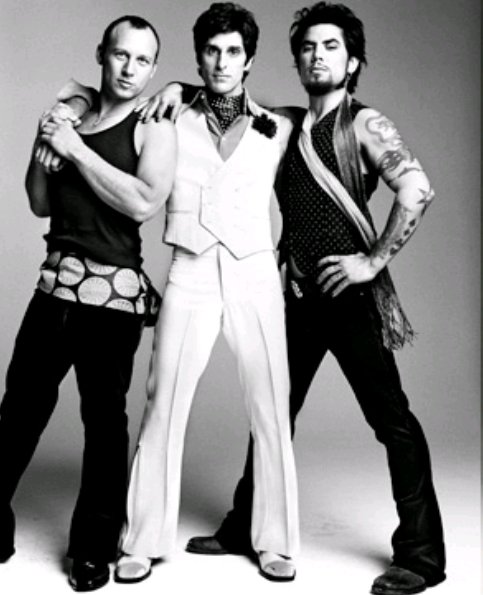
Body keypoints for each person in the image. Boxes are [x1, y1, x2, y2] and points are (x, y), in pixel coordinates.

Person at [145, 3, 446, 594]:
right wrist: (180, 87)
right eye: (307, 47)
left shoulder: (365, 124)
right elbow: (228, 100)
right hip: (299, 296)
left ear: (353, 61)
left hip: (350, 299)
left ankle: (422, 555)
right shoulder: (284, 123)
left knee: (393, 422)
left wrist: (371, 262)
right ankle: (244, 527)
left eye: (331, 46)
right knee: (271, 414)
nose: (317, 56)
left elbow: (417, 189)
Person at [0, 15, 176, 593]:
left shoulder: (153, 128)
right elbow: (39, 202)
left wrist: (73, 149)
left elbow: (144, 202)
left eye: (143, 61)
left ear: (153, 69)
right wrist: (46, 142)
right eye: (121, 55)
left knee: (103, 424)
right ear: (102, 54)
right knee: (17, 412)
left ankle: (93, 548)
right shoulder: (71, 116)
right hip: (54, 289)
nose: (130, 69)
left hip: (112, 300)